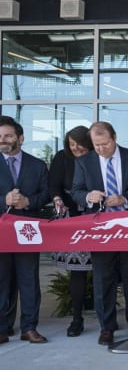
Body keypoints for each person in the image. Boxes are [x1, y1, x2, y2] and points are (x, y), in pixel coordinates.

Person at [72, 121, 128, 346]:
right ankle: (107, 327)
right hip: (101, 229)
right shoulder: (85, 162)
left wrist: (125, 198)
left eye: (105, 144)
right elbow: (75, 191)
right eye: (97, 145)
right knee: (103, 279)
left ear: (114, 138)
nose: (101, 149)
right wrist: (88, 196)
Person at [0, 115, 50, 345]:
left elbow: (46, 195)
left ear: (20, 138)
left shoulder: (37, 165)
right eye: (0, 137)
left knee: (29, 280)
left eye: (8, 135)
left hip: (27, 231)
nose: (3, 140)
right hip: (1, 232)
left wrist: (27, 202)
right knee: (2, 280)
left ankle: (29, 328)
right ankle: (2, 327)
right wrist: (4, 201)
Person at [48, 125, 94, 337]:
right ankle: (77, 319)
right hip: (72, 218)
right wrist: (57, 199)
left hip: (97, 218)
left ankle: (107, 320)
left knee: (108, 271)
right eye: (71, 144)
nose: (75, 148)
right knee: (78, 272)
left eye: (79, 144)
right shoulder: (61, 158)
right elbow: (54, 185)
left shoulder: (95, 157)